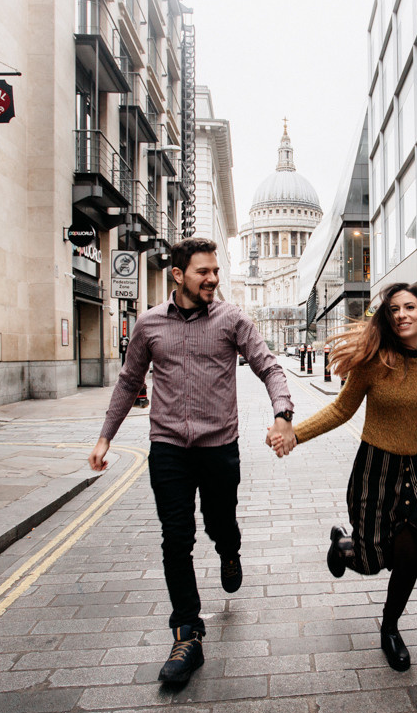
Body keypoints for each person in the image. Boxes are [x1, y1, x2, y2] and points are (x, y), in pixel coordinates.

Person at [89, 237, 296, 685]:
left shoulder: (232, 319)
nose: (213, 279)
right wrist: (106, 437)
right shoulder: (149, 324)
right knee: (176, 538)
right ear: (179, 275)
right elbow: (128, 381)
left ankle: (229, 550)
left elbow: (269, 366)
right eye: (204, 272)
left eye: (216, 271)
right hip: (168, 448)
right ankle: (187, 633)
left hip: (219, 447)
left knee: (220, 523)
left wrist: (282, 414)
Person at [269, 283, 417, 671]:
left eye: (409, 307)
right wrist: (295, 435)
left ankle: (390, 628)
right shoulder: (374, 360)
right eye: (394, 309)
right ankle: (342, 547)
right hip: (377, 471)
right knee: (371, 560)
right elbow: (340, 410)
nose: (401, 314)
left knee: (410, 555)